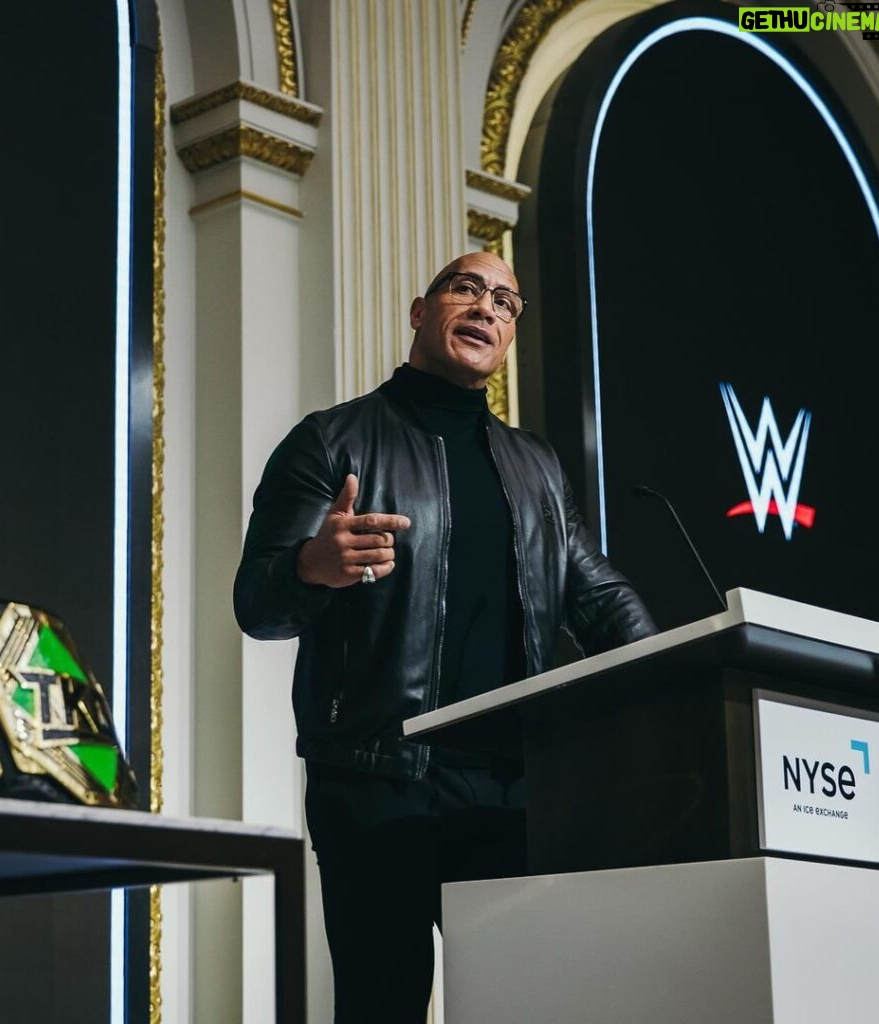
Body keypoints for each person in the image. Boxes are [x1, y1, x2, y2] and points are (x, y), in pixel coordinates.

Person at [234, 251, 656, 1023]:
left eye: (506, 300)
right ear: (419, 311)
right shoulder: (333, 442)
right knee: (383, 1006)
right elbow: (258, 605)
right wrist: (313, 565)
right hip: (376, 778)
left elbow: (590, 588)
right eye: (466, 288)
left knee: (525, 1005)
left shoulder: (535, 464)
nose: (487, 306)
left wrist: (668, 672)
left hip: (514, 788)